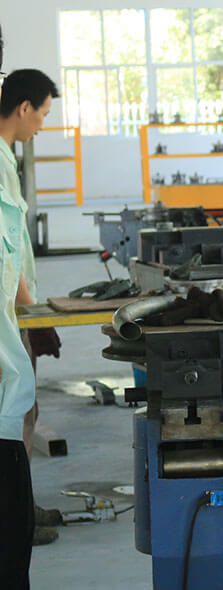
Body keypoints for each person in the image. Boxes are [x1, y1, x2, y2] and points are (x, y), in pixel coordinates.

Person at [0, 68, 58, 587]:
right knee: (14, 413)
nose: (42, 124)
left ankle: (23, 504)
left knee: (23, 409)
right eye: (42, 113)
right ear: (23, 107)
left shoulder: (7, 157)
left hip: (13, 311)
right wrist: (30, 311)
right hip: (7, 315)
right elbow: (6, 251)